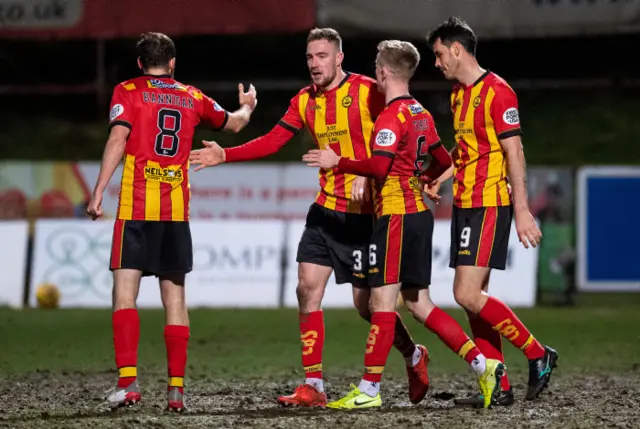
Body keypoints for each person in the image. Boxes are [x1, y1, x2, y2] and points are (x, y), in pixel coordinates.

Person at [188, 28, 430, 407]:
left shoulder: (371, 91)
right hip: (325, 211)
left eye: (322, 56)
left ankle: (414, 355)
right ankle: (313, 386)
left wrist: (375, 178)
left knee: (367, 307)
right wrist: (226, 155)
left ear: (339, 58)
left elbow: (405, 134)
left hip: (366, 216)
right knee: (306, 288)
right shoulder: (304, 100)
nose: (315, 64)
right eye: (309, 57)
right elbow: (273, 140)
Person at [303, 39, 505, 410]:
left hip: (395, 216)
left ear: (382, 72)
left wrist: (338, 161)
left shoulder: (390, 116)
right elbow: (443, 161)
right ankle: (485, 364)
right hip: (419, 217)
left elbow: (379, 167)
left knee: (381, 302)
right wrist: (425, 178)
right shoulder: (420, 113)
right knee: (419, 302)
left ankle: (368, 389)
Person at [85, 32, 257, 412]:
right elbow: (233, 125)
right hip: (175, 212)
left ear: (140, 63)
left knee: (124, 294)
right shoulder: (191, 96)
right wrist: (247, 107)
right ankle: (176, 391)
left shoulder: (128, 90)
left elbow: (118, 138)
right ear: (173, 63)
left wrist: (98, 191)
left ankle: (128, 384)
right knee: (175, 298)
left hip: (136, 208)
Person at [425, 17, 559, 406]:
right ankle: (499, 385)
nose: (436, 63)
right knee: (476, 298)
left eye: (438, 54)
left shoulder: (498, 92)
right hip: (466, 203)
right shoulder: (458, 94)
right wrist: (441, 177)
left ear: (456, 49)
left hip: (490, 203)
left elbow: (514, 152)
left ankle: (537, 353)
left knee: (466, 294)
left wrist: (522, 210)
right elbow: (465, 150)